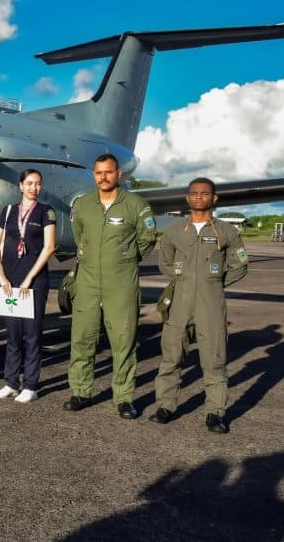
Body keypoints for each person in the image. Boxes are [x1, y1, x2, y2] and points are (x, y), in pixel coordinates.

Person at [150, 178, 248, 433]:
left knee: (215, 359)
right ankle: (165, 406)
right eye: (194, 193)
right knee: (171, 356)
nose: (199, 197)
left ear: (214, 198)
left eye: (205, 193)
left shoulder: (227, 231)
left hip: (211, 303)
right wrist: (183, 277)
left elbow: (240, 264)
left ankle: (215, 412)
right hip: (179, 301)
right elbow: (165, 262)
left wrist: (214, 282)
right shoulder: (174, 231)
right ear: (187, 198)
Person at [65, 153, 157, 418]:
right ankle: (80, 392)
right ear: (93, 175)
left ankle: (124, 397)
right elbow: (79, 237)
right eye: (98, 172)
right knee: (82, 338)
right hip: (87, 280)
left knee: (123, 340)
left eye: (108, 172)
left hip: (121, 282)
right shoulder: (82, 205)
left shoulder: (136, 205)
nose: (103, 177)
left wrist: (125, 259)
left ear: (118, 174)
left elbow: (147, 239)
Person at [0, 169, 57, 402]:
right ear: (20, 186)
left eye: (38, 183)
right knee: (13, 333)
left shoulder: (46, 211)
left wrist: (29, 279)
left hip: (34, 281)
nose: (33, 188)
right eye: (29, 183)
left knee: (32, 334)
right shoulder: (8, 211)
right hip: (10, 280)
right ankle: (10, 382)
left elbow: (49, 247)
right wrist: (2, 276)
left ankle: (30, 385)